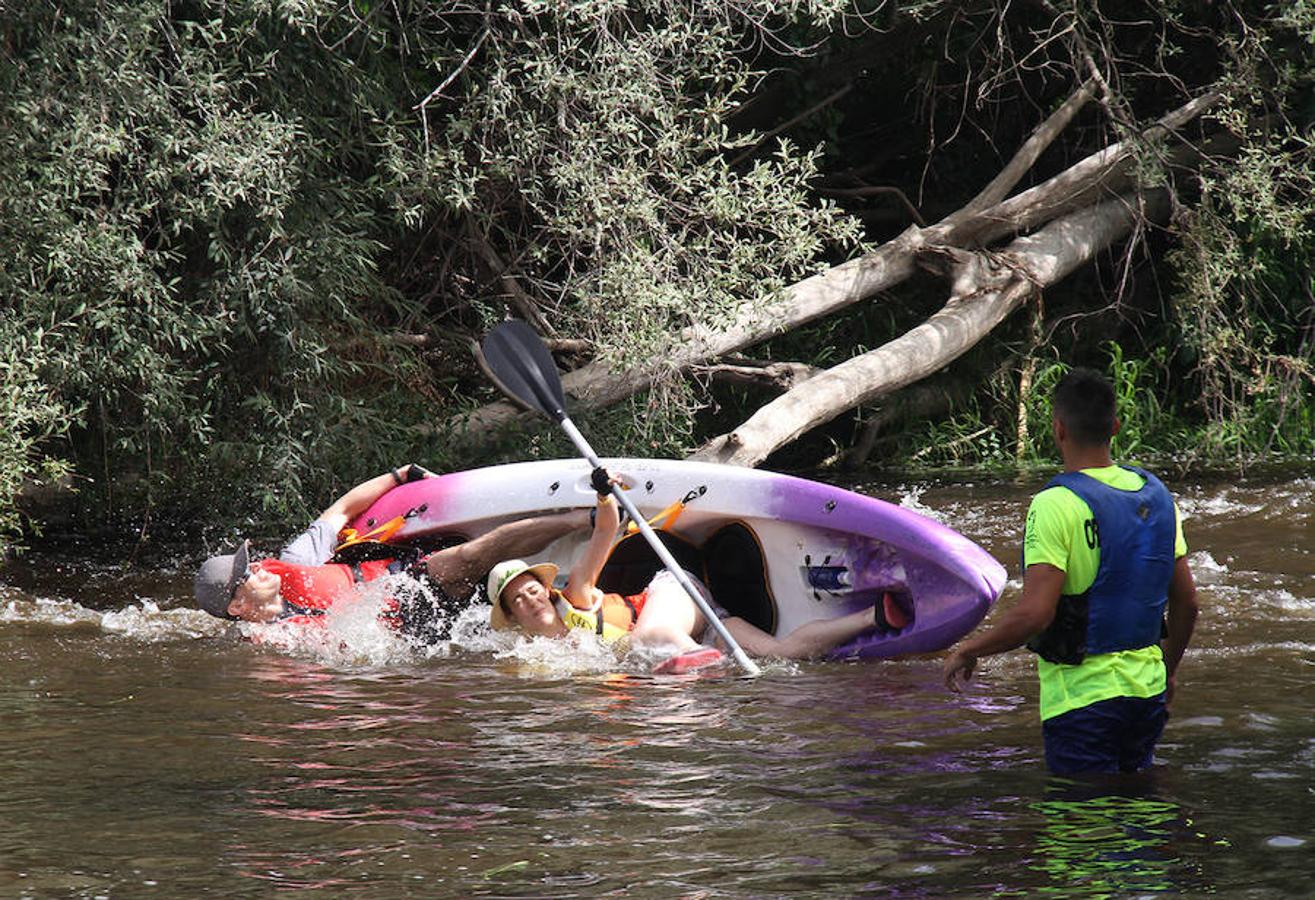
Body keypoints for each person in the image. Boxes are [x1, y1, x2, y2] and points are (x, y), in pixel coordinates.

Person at [942, 368, 1199, 776]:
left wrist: (970, 648)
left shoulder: (1055, 504)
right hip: (1147, 692)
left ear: (1058, 429)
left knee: (1079, 827)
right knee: (1141, 814)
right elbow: (1187, 603)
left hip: (1081, 701)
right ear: (1115, 426)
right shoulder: (1159, 497)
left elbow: (1036, 615)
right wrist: (1167, 672)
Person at [487, 467, 885, 669]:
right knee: (783, 655)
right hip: (701, 633)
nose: (529, 598)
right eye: (517, 599)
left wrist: (604, 494)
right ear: (512, 615)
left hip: (674, 598)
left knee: (651, 637)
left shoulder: (575, 594)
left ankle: (701, 665)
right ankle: (875, 615)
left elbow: (607, 530)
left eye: (531, 588)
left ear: (545, 587)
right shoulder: (540, 658)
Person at [194, 463, 591, 641]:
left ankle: (581, 520)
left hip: (409, 582)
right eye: (247, 574)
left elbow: (342, 510)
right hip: (407, 631)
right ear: (236, 608)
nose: (259, 568)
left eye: (251, 562)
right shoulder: (273, 640)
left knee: (471, 558)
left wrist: (400, 476)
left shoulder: (296, 560)